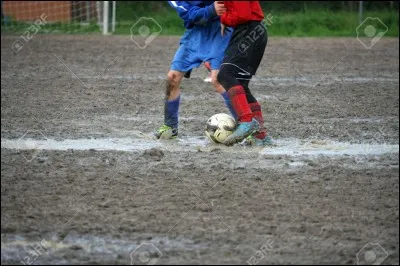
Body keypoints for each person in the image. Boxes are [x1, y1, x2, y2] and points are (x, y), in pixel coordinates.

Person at [155, 1, 237, 139]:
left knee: (219, 80)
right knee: (172, 78)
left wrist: (225, 15)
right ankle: (170, 127)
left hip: (221, 29)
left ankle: (246, 125)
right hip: (195, 32)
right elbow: (189, 14)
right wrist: (211, 9)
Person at [216, 1, 273, 146]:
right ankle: (260, 135)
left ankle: (247, 121)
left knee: (225, 75)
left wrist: (224, 18)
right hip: (253, 32)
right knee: (241, 83)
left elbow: (242, 15)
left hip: (248, 31)